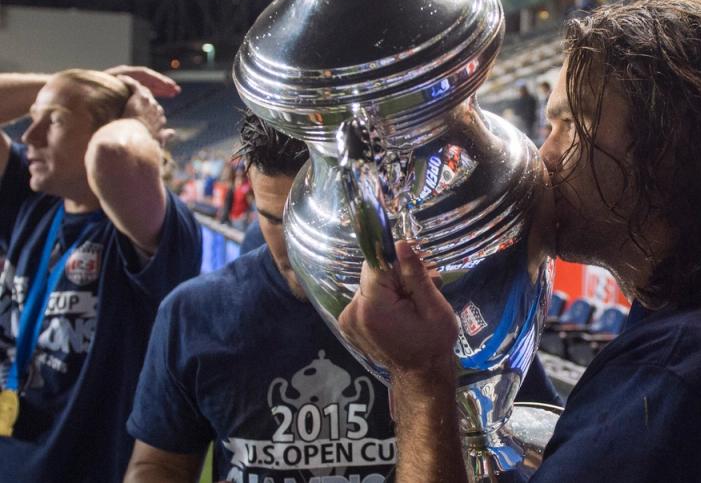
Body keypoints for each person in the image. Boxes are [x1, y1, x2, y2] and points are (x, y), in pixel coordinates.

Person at [337, 0, 701, 482]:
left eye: (572, 124)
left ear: (671, 150)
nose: (544, 157)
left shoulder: (678, 379)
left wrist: (420, 378)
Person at [124, 112, 562, 483]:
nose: (289, 248)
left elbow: (529, 439)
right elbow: (158, 462)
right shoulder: (194, 313)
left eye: (312, 224)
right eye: (271, 219)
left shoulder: (443, 311)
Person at [0, 67, 202, 483]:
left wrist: (137, 121)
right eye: (32, 118)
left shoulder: (153, 227)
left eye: (52, 122)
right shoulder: (35, 203)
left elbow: (114, 158)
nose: (28, 136)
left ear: (105, 132)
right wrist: (63, 86)